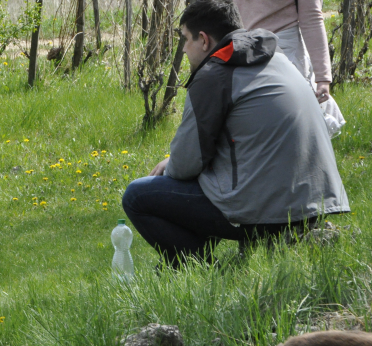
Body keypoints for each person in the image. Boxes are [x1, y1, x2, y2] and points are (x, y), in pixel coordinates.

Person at [121, 0, 349, 269]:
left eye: (185, 39)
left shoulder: (213, 75)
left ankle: (200, 268)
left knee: (137, 196)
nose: (184, 48)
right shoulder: (276, 57)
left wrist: (172, 163)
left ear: (204, 40)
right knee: (212, 177)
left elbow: (184, 166)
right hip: (316, 205)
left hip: (268, 216)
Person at [235, 0, 345, 136]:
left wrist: (322, 77)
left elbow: (311, 18)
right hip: (239, 50)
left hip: (284, 53)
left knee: (295, 131)